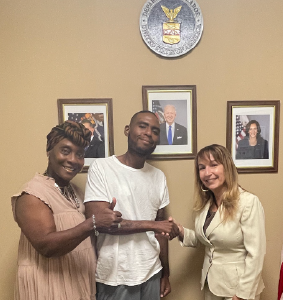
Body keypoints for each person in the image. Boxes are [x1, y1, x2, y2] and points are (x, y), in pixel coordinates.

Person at [11, 120, 122, 300]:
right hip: (48, 288)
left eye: (79, 154)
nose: (73, 160)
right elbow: (47, 246)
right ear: (49, 150)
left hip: (77, 284)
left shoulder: (75, 191)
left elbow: (81, 237)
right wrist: (93, 222)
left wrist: (104, 224)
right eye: (65, 151)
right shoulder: (32, 194)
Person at [84, 111, 179, 300]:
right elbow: (100, 223)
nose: (148, 133)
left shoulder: (158, 177)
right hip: (115, 276)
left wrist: (165, 273)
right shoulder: (102, 168)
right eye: (142, 126)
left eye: (154, 130)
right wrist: (153, 225)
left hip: (152, 272)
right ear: (128, 130)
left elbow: (161, 233)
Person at [174, 144, 266, 300]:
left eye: (214, 165)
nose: (207, 173)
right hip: (212, 286)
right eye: (202, 168)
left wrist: (242, 295)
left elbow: (256, 254)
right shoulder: (206, 205)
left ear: (227, 167)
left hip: (238, 291)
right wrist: (180, 232)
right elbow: (208, 240)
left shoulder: (248, 202)